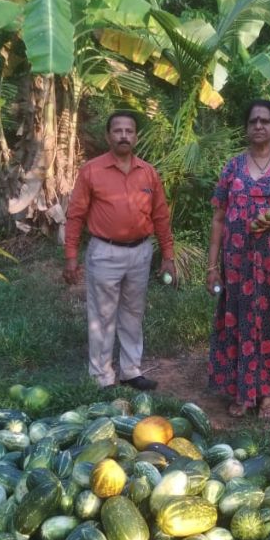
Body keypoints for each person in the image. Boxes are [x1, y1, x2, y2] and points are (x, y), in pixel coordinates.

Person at [205, 100, 270, 420]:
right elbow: (218, 219)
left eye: (266, 121)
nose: (259, 126)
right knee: (238, 322)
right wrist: (212, 267)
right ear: (247, 127)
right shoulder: (233, 168)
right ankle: (242, 391)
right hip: (237, 263)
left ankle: (268, 393)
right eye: (253, 121)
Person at [64, 110, 174, 391]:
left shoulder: (148, 172)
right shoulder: (91, 171)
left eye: (129, 131)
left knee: (133, 313)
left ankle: (130, 370)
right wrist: (71, 257)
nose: (124, 135)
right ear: (108, 136)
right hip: (105, 252)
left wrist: (168, 255)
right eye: (118, 131)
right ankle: (102, 377)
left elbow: (161, 216)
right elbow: (75, 215)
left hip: (140, 253)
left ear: (136, 136)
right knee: (102, 316)